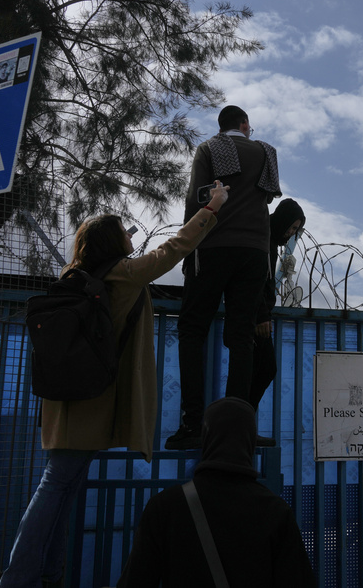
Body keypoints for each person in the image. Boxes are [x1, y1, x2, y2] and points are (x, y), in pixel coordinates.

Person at [0, 181, 229, 588]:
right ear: (112, 241)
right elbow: (172, 250)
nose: (130, 236)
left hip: (67, 399)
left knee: (63, 491)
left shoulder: (79, 275)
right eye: (123, 231)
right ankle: (17, 580)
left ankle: (46, 577)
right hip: (87, 400)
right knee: (54, 489)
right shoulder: (122, 275)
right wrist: (210, 209)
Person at [167, 105, 281, 450]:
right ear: (244, 124)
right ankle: (236, 428)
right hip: (254, 252)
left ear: (222, 126)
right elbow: (267, 197)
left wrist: (189, 250)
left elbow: (195, 199)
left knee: (192, 330)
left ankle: (191, 425)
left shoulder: (208, 149)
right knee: (241, 337)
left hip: (214, 245)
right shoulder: (266, 152)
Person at [117, 397, 316, 587]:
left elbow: (136, 580)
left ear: (207, 438)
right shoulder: (275, 511)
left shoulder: (165, 507)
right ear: (250, 441)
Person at [248, 199, 306, 417]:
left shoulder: (270, 241)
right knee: (261, 370)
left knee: (261, 371)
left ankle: (245, 422)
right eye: (291, 227)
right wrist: (262, 315)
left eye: (296, 230)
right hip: (256, 317)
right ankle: (242, 422)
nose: (291, 233)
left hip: (260, 315)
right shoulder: (263, 238)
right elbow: (256, 279)